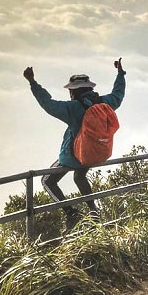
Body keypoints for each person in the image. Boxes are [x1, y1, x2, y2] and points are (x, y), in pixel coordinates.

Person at [23, 58, 126, 231]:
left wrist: (33, 83)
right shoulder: (104, 103)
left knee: (47, 181)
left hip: (73, 156)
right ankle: (93, 211)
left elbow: (48, 104)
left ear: (73, 92)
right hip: (94, 153)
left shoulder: (73, 108)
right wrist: (120, 74)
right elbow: (118, 94)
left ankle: (70, 213)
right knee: (79, 176)